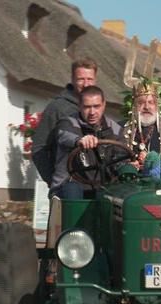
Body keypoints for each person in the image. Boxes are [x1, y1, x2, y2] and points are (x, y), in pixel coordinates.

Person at [32, 58, 97, 186]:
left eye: (89, 79)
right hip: (66, 188)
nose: (85, 84)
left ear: (95, 81)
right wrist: (54, 182)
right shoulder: (57, 108)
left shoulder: (98, 109)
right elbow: (39, 148)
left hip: (94, 185)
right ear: (72, 80)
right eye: (81, 79)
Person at [50, 86, 124, 199]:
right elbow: (63, 136)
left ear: (104, 105)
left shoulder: (115, 129)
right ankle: (73, 216)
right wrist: (79, 140)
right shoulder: (67, 123)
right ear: (79, 106)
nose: (92, 112)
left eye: (96, 106)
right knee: (72, 189)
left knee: (119, 192)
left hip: (102, 188)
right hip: (69, 187)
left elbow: (121, 156)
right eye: (87, 107)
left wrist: (128, 164)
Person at [122, 79, 161, 189]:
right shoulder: (120, 129)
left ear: (157, 106)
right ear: (134, 106)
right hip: (128, 192)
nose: (146, 107)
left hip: (160, 194)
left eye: (151, 102)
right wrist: (126, 166)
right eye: (141, 102)